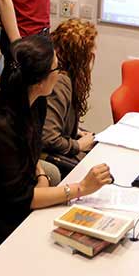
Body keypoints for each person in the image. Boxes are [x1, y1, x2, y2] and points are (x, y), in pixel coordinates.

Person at [0, 35, 113, 250]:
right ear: (39, 81)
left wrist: (41, 176)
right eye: (56, 68)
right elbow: (22, 199)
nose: (60, 73)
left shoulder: (35, 103)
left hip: (17, 198)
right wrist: (81, 188)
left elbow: (30, 152)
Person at [42, 19, 98, 176]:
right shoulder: (60, 81)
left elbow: (51, 121)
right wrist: (78, 145)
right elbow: (48, 138)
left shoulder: (62, 76)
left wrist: (76, 131)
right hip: (48, 157)